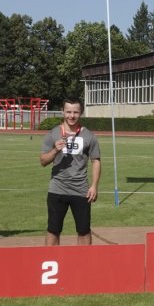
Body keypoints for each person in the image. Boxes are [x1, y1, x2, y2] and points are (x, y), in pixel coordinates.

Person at [40, 98, 101, 246]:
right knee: (53, 229)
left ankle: (84, 264)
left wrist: (94, 186)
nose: (71, 116)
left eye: (75, 112)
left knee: (84, 230)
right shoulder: (53, 134)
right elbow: (43, 161)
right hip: (57, 189)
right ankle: (51, 262)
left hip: (81, 191)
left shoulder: (89, 136)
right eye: (68, 112)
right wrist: (55, 150)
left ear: (81, 113)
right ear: (62, 111)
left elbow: (96, 161)